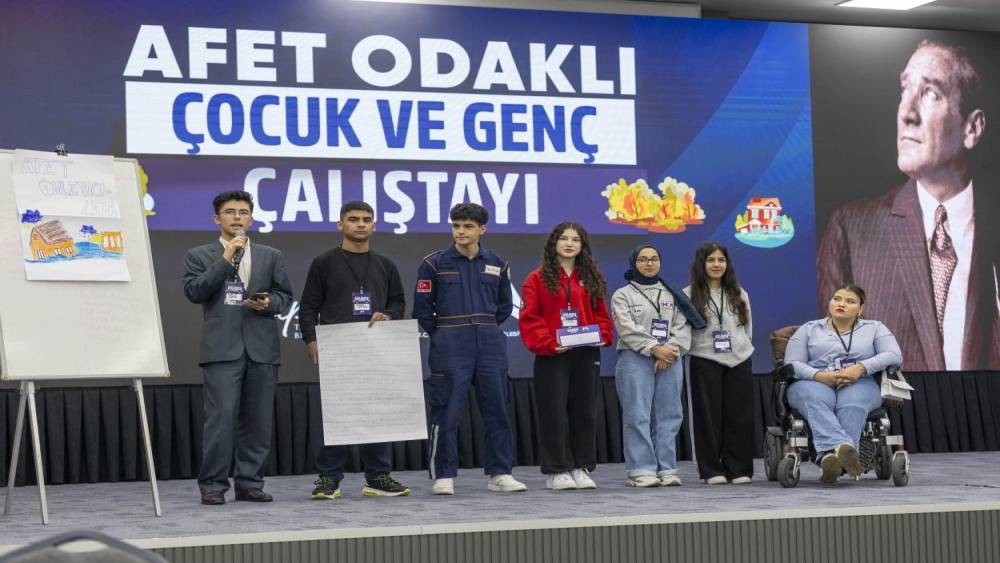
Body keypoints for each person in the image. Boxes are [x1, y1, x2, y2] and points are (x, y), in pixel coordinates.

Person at [817, 39, 999, 371]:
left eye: (930, 93)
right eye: (905, 90)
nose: (906, 113)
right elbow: (833, 361)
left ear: (972, 128)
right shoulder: (851, 230)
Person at [182, 190, 293, 505]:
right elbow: (195, 291)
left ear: (251, 219)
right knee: (221, 419)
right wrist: (226, 257)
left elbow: (285, 297)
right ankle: (213, 485)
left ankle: (249, 483)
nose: (237, 218)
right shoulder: (199, 255)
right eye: (230, 212)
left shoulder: (271, 255)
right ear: (217, 218)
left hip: (262, 348)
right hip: (221, 349)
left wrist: (269, 303)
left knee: (258, 420)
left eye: (243, 212)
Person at [298, 201, 411, 500]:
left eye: (366, 219)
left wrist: (389, 315)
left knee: (377, 411)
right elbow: (308, 307)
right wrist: (310, 340)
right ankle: (328, 478)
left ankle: (377, 477)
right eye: (353, 219)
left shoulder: (386, 264)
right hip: (338, 348)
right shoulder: (324, 263)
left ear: (374, 225)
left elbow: (399, 302)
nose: (360, 224)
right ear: (341, 224)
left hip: (377, 348)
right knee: (336, 414)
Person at [412, 203, 527, 495]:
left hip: (490, 342)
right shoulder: (434, 263)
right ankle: (444, 475)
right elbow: (422, 309)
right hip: (450, 343)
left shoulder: (498, 263)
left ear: (482, 229)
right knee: (446, 411)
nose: (460, 231)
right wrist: (443, 334)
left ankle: (500, 473)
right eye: (456, 226)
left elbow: (504, 307)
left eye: (468, 226)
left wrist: (484, 327)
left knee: (498, 409)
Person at [518, 222, 614, 491]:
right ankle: (557, 470)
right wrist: (549, 343)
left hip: (586, 353)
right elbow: (529, 318)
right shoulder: (536, 278)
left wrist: (602, 335)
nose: (569, 244)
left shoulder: (591, 278)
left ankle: (581, 467)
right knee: (554, 412)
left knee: (585, 411)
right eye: (563, 238)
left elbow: (601, 315)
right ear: (554, 243)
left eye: (575, 239)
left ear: (582, 246)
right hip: (552, 355)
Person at [784, 284, 903, 484]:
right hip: (813, 381)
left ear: (860, 309)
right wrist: (820, 375)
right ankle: (843, 450)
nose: (841, 304)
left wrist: (861, 368)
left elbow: (894, 354)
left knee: (853, 404)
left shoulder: (875, 328)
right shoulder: (809, 329)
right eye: (837, 298)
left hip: (859, 381)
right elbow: (791, 364)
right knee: (814, 400)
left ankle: (829, 459)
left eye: (850, 301)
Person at [611, 245, 705, 488]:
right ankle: (641, 469)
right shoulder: (623, 294)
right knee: (637, 415)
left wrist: (669, 351)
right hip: (635, 357)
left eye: (654, 259)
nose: (649, 263)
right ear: (634, 263)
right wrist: (654, 348)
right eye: (643, 259)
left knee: (670, 414)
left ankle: (667, 468)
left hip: (670, 357)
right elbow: (627, 328)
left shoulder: (672, 293)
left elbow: (682, 326)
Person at [683, 242, 754, 485]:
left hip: (739, 358)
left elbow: (747, 328)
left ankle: (739, 468)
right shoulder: (688, 294)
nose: (716, 264)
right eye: (711, 260)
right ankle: (711, 469)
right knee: (707, 416)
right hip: (705, 358)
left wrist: (742, 347)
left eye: (721, 260)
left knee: (740, 416)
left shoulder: (739, 292)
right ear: (701, 264)